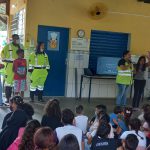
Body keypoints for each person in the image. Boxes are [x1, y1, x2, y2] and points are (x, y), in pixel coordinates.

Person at [1, 34, 23, 103]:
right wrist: (6, 60)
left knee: (17, 83)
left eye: (18, 38)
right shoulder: (8, 46)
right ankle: (8, 98)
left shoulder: (21, 46)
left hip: (19, 66)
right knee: (8, 83)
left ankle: (15, 99)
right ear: (12, 39)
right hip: (10, 66)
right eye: (15, 38)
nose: (17, 40)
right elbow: (2, 56)